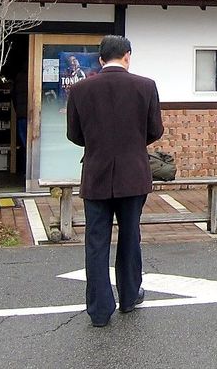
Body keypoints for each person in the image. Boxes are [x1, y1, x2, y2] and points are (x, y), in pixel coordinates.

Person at [66, 35, 164, 327]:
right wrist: (134, 144)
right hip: (133, 172)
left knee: (96, 240)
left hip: (96, 172)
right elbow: (155, 130)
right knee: (130, 234)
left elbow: (74, 134)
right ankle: (129, 295)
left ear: (99, 59)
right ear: (127, 56)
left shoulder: (81, 89)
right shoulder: (145, 86)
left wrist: (97, 145)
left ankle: (98, 309)